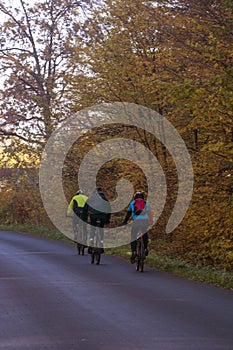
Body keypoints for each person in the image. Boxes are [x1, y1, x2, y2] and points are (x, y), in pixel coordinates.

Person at [123, 191, 151, 264]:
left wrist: (125, 222)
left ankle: (134, 251)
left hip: (136, 222)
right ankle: (145, 248)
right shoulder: (146, 204)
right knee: (145, 233)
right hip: (145, 221)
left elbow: (128, 214)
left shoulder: (132, 203)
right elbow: (150, 214)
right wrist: (150, 222)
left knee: (133, 236)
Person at [83, 187, 111, 253]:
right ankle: (101, 243)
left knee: (93, 228)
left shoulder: (91, 198)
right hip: (103, 215)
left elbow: (85, 208)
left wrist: (84, 218)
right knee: (101, 229)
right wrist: (107, 220)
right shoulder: (104, 198)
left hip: (94, 215)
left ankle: (91, 242)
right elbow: (109, 209)